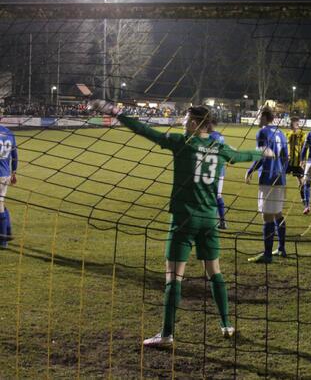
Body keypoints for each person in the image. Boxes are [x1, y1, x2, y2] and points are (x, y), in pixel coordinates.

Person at [90, 100, 272, 346]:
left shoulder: (182, 142)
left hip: (184, 219)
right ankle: (226, 324)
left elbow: (146, 131)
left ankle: (166, 334)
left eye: (186, 119)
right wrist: (262, 152)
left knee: (174, 277)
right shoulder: (219, 147)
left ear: (195, 124)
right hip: (209, 219)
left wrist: (117, 113)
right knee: (214, 272)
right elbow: (240, 156)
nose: (183, 122)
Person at [246, 107, 289, 263]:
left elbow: (262, 155)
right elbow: (286, 158)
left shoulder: (262, 132)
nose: (257, 118)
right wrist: (281, 173)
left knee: (267, 216)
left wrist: (250, 170)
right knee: (278, 213)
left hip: (268, 178)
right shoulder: (281, 133)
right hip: (280, 178)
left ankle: (267, 255)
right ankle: (281, 248)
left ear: (264, 117)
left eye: (259, 115)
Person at [0, 123, 17, 249]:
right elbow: (14, 155)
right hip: (5, 174)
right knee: (1, 202)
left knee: (0, 205)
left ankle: (3, 240)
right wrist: (14, 172)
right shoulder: (9, 132)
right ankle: (8, 231)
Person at [209, 118, 227, 229]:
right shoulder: (220, 135)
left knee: (210, 196)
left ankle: (213, 222)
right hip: (220, 170)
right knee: (217, 195)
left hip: (211, 170)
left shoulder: (210, 136)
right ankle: (222, 221)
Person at [286, 117, 306, 207]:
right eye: (290, 123)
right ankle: (280, 197)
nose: (290, 125)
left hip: (298, 162)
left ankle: (303, 198)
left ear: (297, 124)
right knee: (279, 178)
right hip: (288, 161)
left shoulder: (302, 134)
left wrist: (303, 160)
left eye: (292, 123)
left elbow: (305, 148)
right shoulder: (287, 133)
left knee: (301, 181)